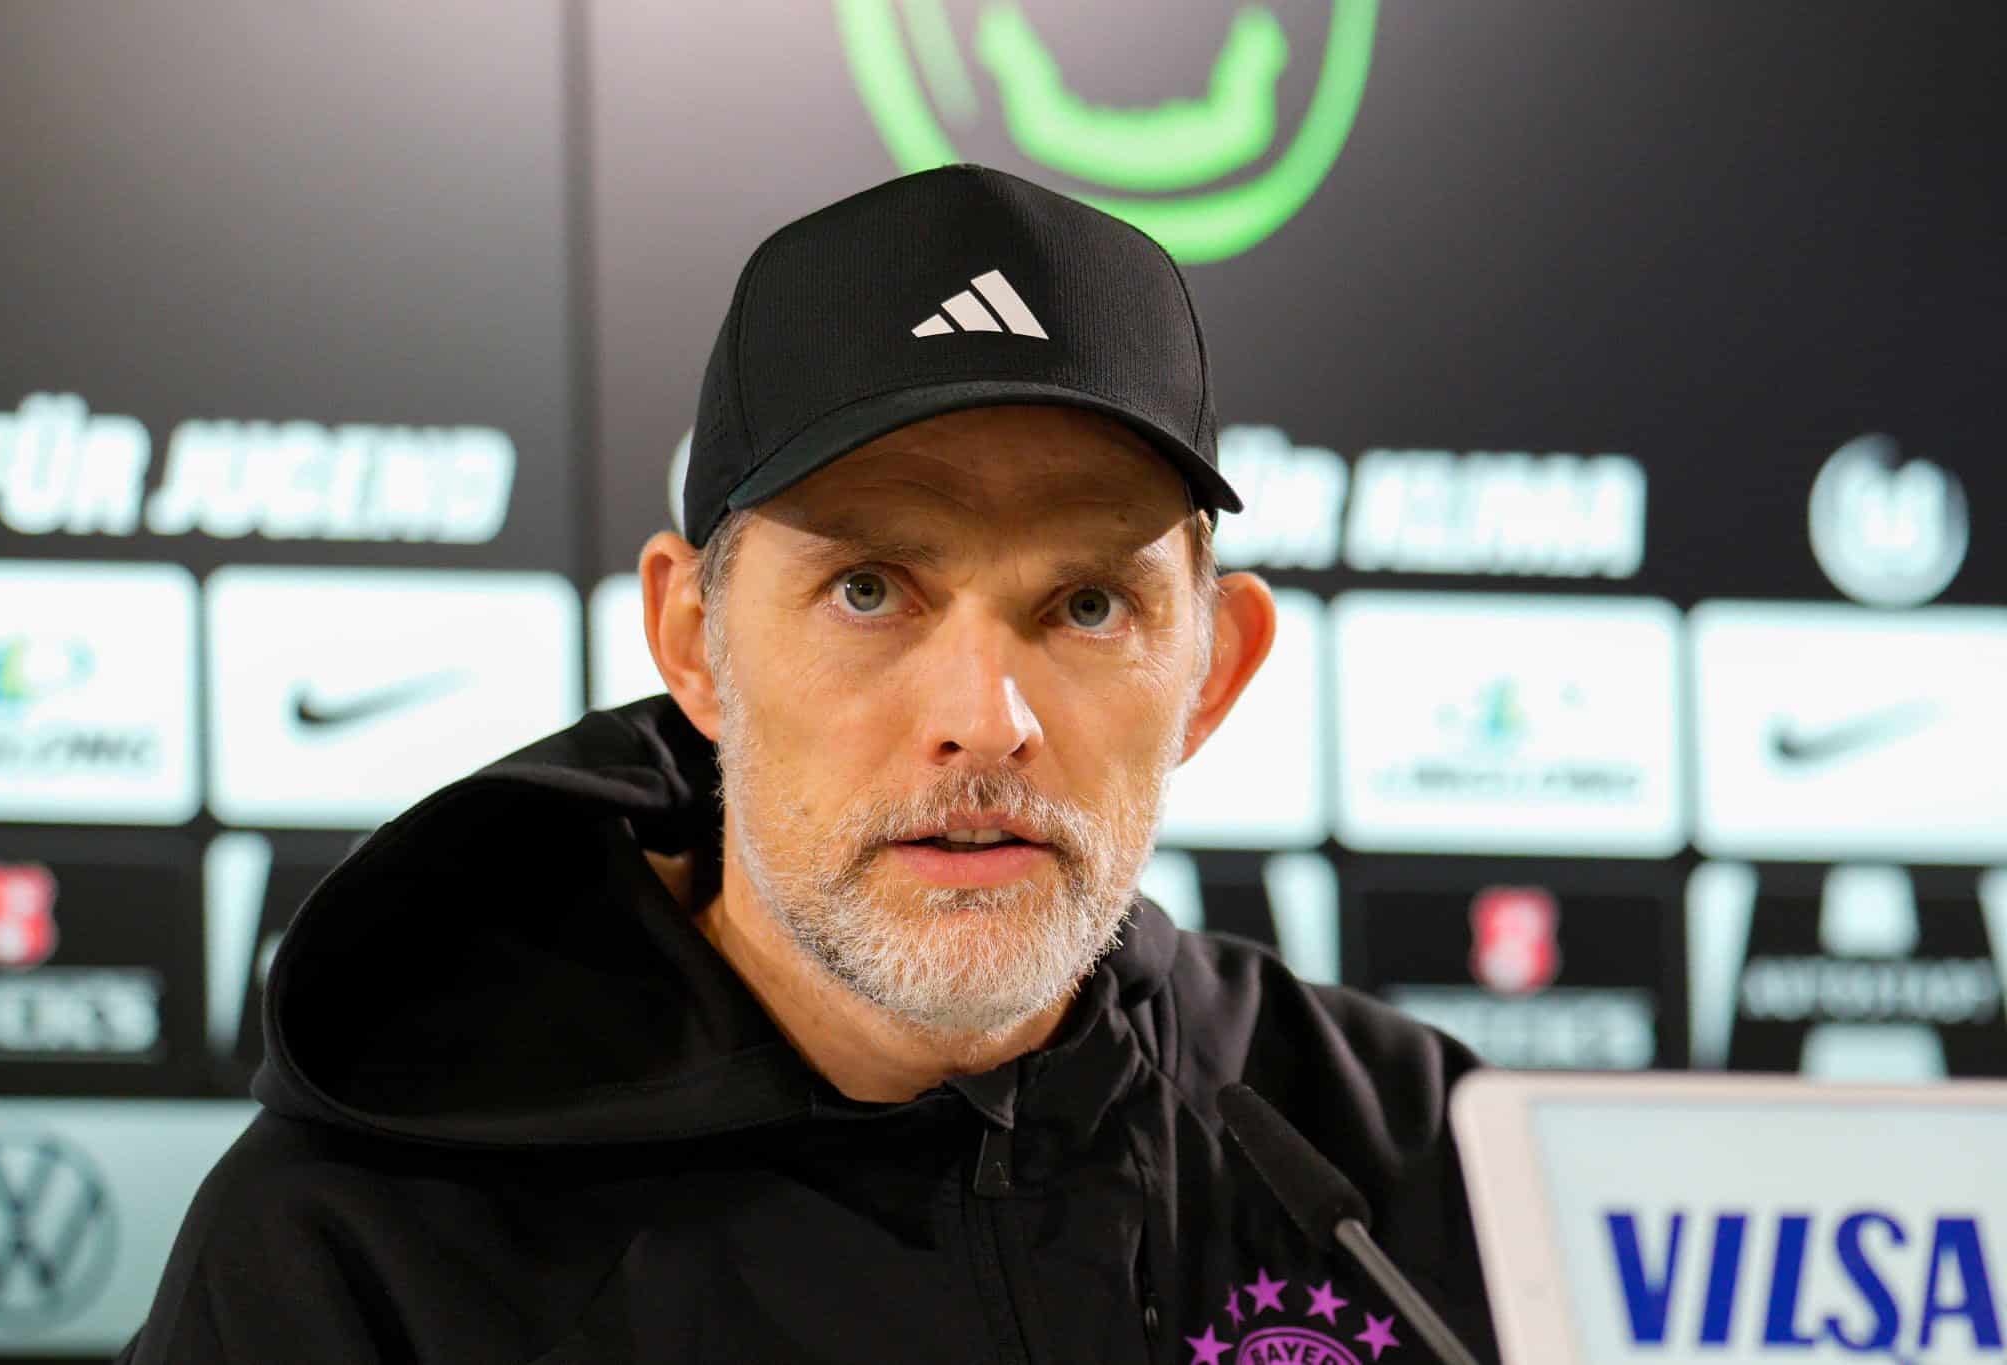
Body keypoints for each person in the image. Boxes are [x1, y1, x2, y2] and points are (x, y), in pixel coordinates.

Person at [121, 164, 1496, 1363]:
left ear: (1212, 667)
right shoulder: (356, 1251)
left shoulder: (1438, 1166)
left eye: (1086, 602)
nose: (987, 716)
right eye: (869, 588)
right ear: (694, 640)